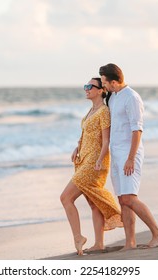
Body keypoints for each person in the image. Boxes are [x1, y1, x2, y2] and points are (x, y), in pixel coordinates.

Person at [99, 63, 158, 250]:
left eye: (104, 82)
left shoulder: (132, 98)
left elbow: (137, 130)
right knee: (122, 199)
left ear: (114, 81)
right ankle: (130, 242)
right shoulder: (113, 97)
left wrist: (130, 157)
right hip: (116, 152)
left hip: (130, 154)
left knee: (129, 197)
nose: (103, 85)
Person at [60, 77, 123, 255]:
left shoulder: (103, 111)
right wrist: (77, 147)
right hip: (83, 159)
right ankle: (99, 244)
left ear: (101, 90)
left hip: (95, 162)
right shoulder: (90, 110)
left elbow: (105, 141)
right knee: (94, 204)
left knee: (65, 197)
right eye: (85, 86)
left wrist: (99, 160)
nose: (86, 89)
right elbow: (87, 135)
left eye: (90, 86)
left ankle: (78, 237)